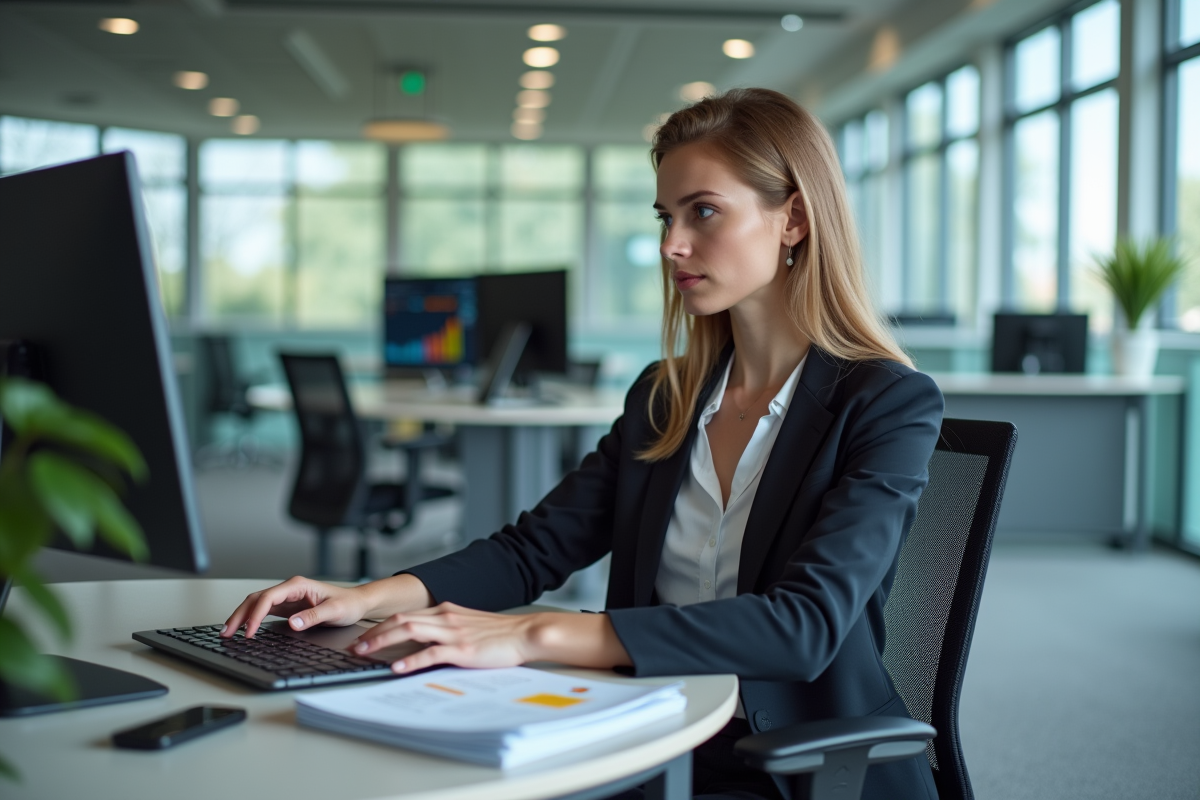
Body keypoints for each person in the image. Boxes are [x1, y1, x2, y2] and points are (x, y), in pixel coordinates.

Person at [223, 88, 943, 800]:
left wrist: (535, 636)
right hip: (654, 727)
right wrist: (367, 596)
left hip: (796, 763)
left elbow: (803, 627)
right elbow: (533, 549)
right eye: (666, 216)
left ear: (792, 219)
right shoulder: (667, 396)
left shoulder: (885, 403)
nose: (672, 245)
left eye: (704, 211)